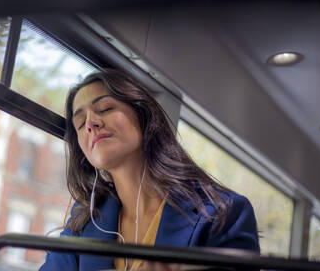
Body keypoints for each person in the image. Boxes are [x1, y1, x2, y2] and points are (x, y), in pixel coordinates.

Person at [40, 69, 260, 271]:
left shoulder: (225, 212)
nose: (91, 123)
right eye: (80, 123)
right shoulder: (85, 217)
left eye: (105, 109)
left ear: (142, 115)